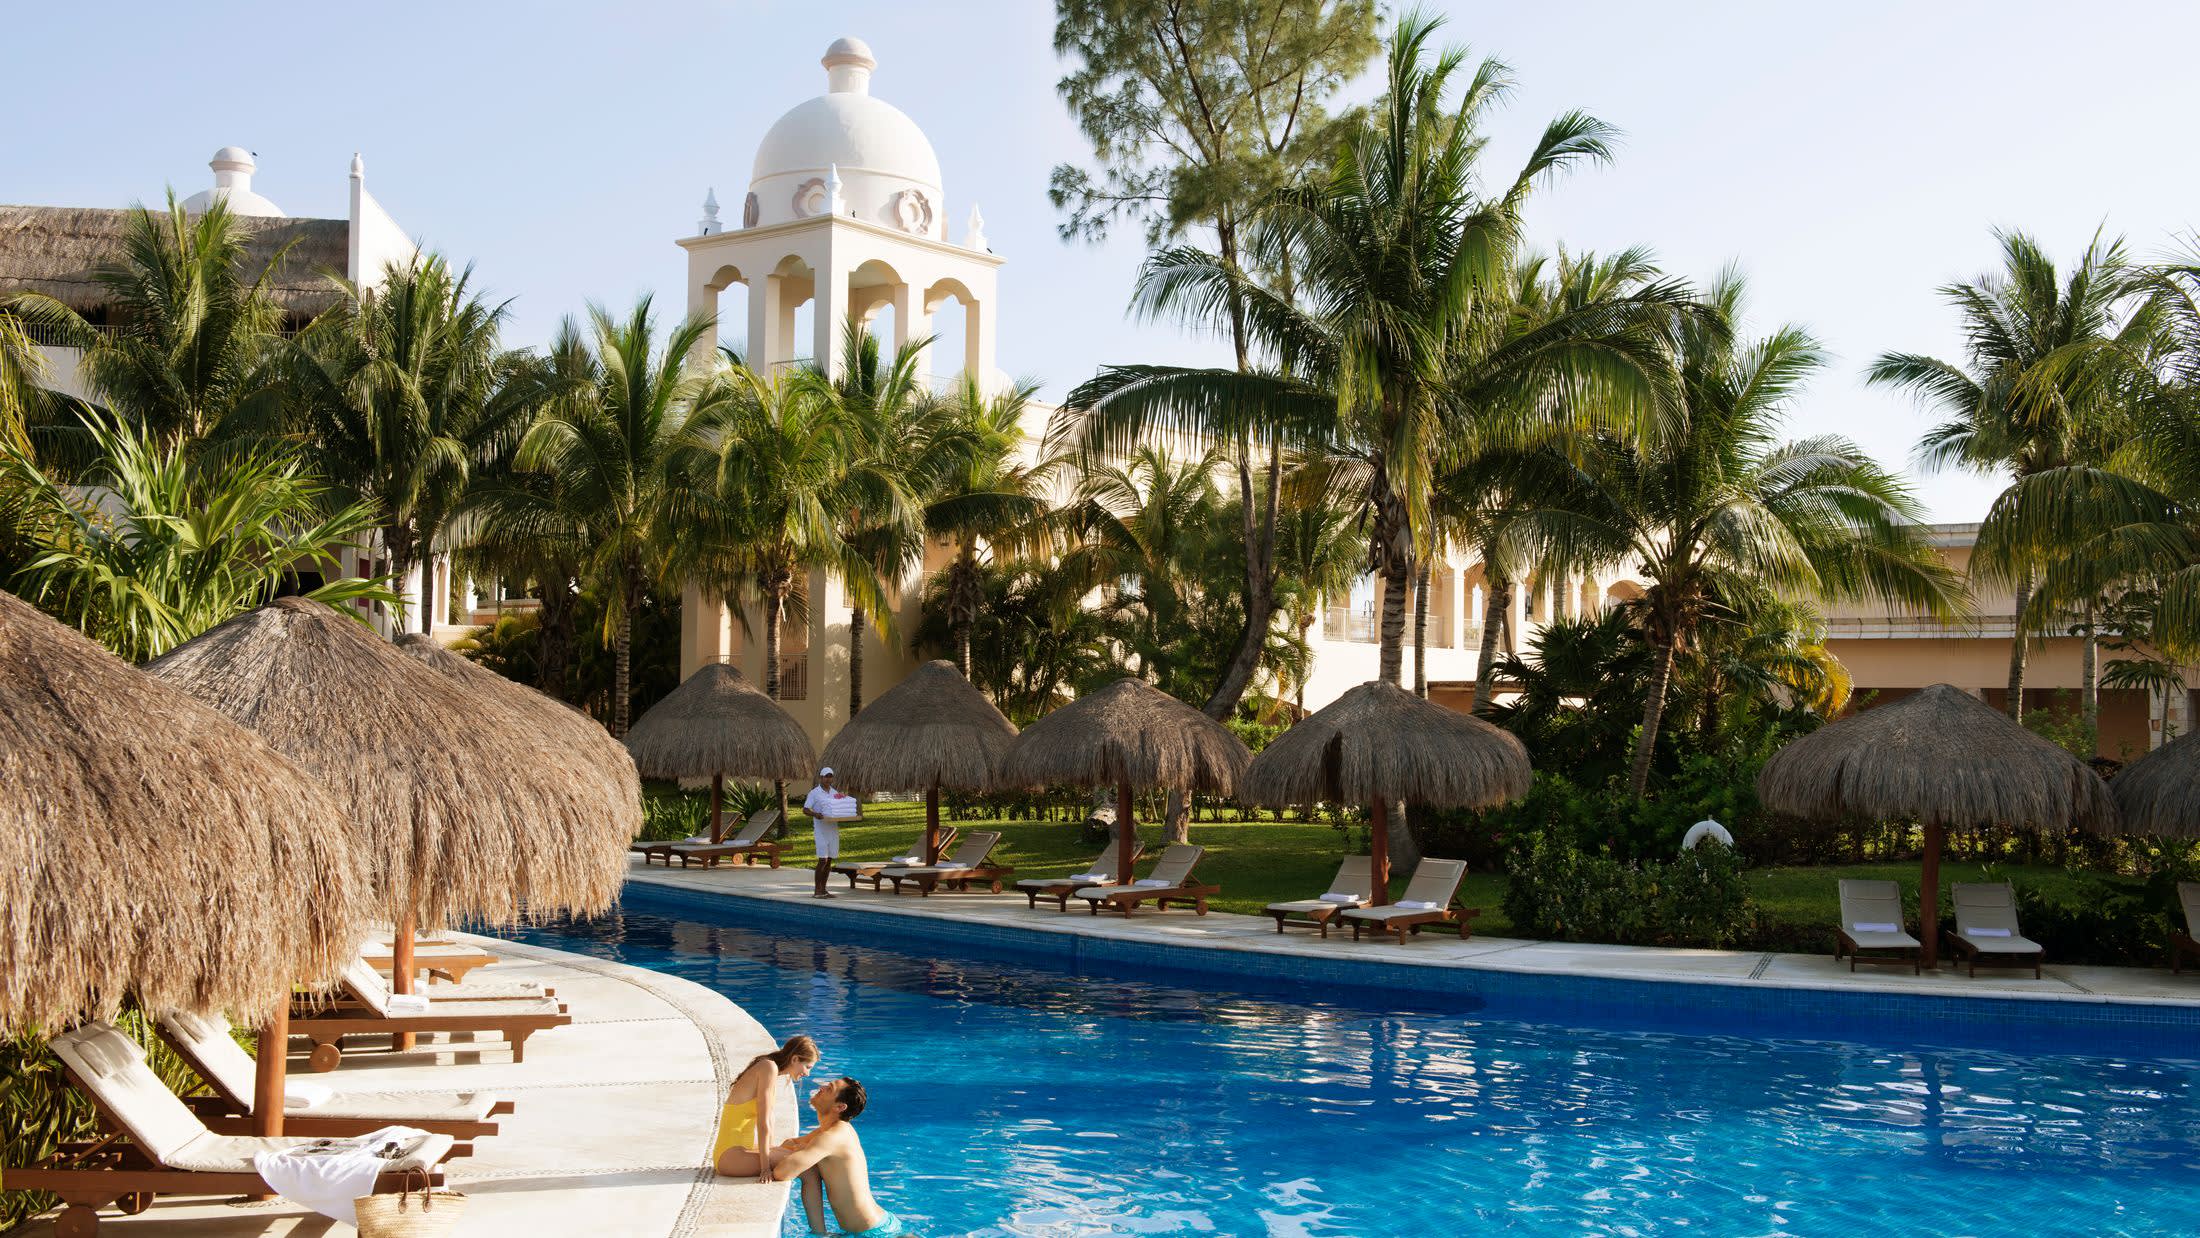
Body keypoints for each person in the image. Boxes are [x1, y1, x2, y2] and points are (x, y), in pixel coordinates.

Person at [771, 1076, 900, 1237]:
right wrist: (803, 1147)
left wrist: (802, 1148)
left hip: (874, 1233)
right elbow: (788, 1142)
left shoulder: (832, 1136)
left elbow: (783, 1172)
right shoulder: (830, 1130)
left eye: (829, 1089)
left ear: (840, 1106)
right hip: (878, 1224)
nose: (821, 1088)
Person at [713, 1035, 819, 1183]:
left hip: (738, 1151)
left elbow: (769, 1119)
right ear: (795, 1059)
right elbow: (763, 1123)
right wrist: (765, 1168)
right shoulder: (768, 1068)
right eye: (807, 1067)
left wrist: (772, 1149)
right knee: (803, 1163)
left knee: (800, 1153)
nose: (807, 1073)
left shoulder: (769, 1068)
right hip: (729, 1157)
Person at [802, 766, 861, 899]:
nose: (829, 779)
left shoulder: (833, 792)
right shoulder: (814, 793)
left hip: (832, 830)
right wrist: (816, 814)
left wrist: (843, 799)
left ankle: (824, 889)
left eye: (830, 776)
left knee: (829, 860)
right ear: (821, 778)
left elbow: (839, 805)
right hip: (821, 831)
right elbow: (805, 809)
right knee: (822, 860)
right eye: (826, 776)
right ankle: (817, 890)